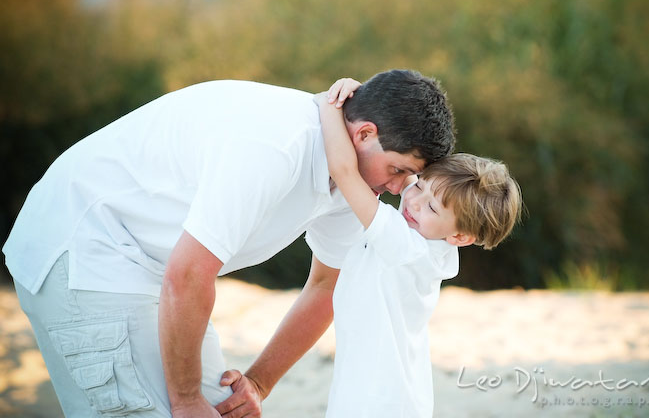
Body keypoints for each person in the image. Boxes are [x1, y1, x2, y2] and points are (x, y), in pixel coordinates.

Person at [1, 70, 455, 417]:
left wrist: (257, 383)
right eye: (397, 170)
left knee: (221, 403)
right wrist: (183, 399)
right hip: (85, 246)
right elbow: (189, 274)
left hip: (156, 268)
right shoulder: (275, 147)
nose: (400, 188)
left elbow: (326, 287)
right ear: (364, 134)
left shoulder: (354, 181)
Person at [311, 90, 522, 417]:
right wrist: (362, 100)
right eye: (421, 185)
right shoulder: (428, 225)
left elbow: (344, 171)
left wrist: (330, 104)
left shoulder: (408, 248)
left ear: (460, 236)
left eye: (431, 207)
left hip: (380, 397)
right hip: (381, 385)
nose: (413, 201)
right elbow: (411, 177)